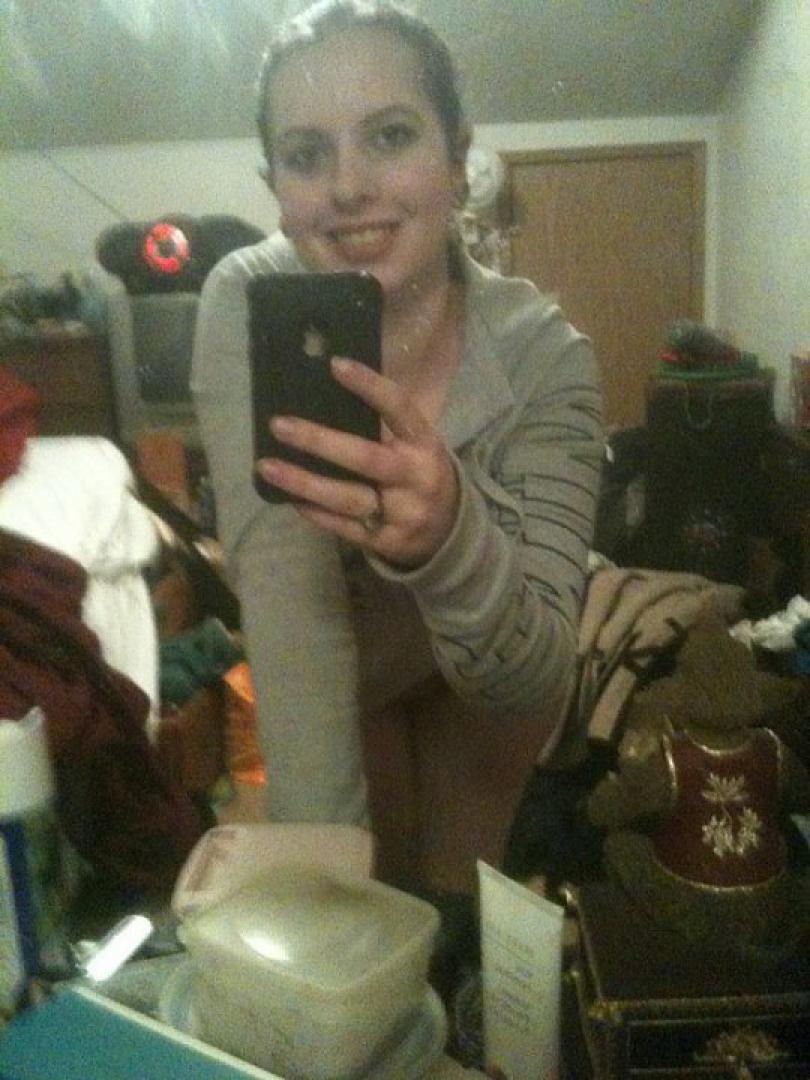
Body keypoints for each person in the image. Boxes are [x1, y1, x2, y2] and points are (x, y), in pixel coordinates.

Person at [191, 0, 603, 882]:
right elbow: (286, 605)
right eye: (307, 154)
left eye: (389, 136)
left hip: (490, 671)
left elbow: (532, 674)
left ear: (457, 158)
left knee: (462, 913)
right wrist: (325, 888)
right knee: (358, 890)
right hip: (345, 670)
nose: (348, 187)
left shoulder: (545, 357)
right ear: (274, 185)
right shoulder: (248, 305)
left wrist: (449, 538)